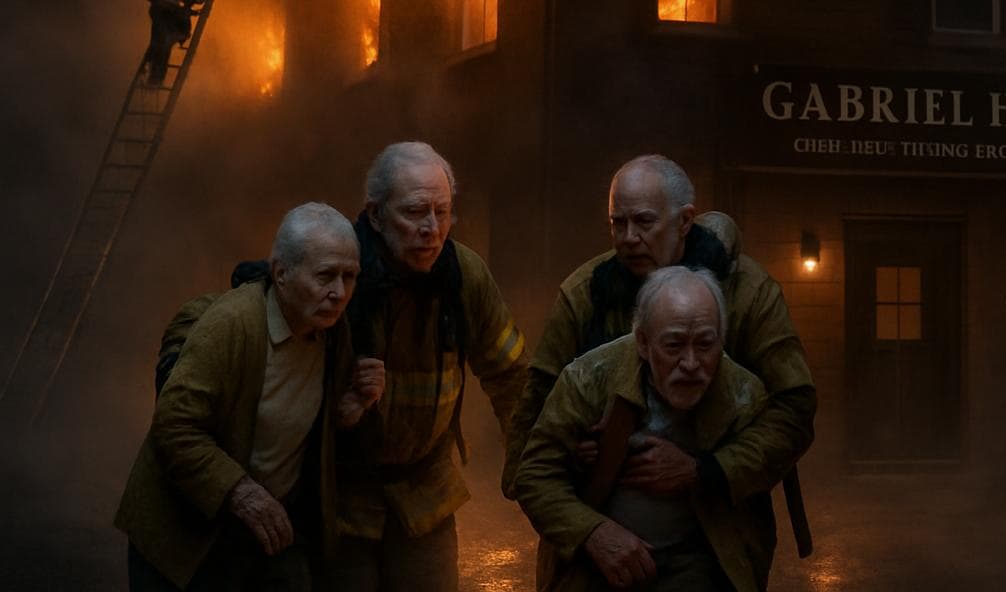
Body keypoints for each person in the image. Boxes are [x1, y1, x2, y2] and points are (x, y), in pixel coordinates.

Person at [504, 154, 815, 568]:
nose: (629, 237)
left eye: (645, 222)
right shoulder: (585, 294)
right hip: (598, 518)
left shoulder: (747, 294)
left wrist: (708, 470)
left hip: (715, 527)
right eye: (618, 223)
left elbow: (794, 408)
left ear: (684, 221)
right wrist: (568, 457)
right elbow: (536, 406)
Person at [115, 202, 379, 590]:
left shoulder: (332, 333)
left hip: (266, 534)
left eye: (349, 277)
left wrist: (351, 411)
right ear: (282, 274)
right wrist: (241, 492)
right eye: (325, 276)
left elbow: (302, 425)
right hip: (185, 539)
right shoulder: (231, 325)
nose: (339, 293)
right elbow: (174, 427)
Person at [332, 140, 531, 591]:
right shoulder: (338, 274)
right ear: (376, 215)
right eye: (416, 212)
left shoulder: (464, 276)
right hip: (343, 498)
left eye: (442, 212)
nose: (431, 229)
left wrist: (528, 465)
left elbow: (511, 376)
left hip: (427, 492)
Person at [516, 266, 777, 591]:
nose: (692, 363)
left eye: (706, 344)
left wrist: (701, 471)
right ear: (642, 342)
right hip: (599, 559)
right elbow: (533, 476)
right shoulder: (589, 378)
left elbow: (768, 462)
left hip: (698, 562)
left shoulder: (743, 395)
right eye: (674, 345)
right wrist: (593, 532)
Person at [142, 0, 210, 87]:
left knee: (166, 41)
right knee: (163, 42)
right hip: (163, 13)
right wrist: (173, 2)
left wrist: (192, 1)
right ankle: (154, 76)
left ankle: (153, 71)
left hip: (177, 17)